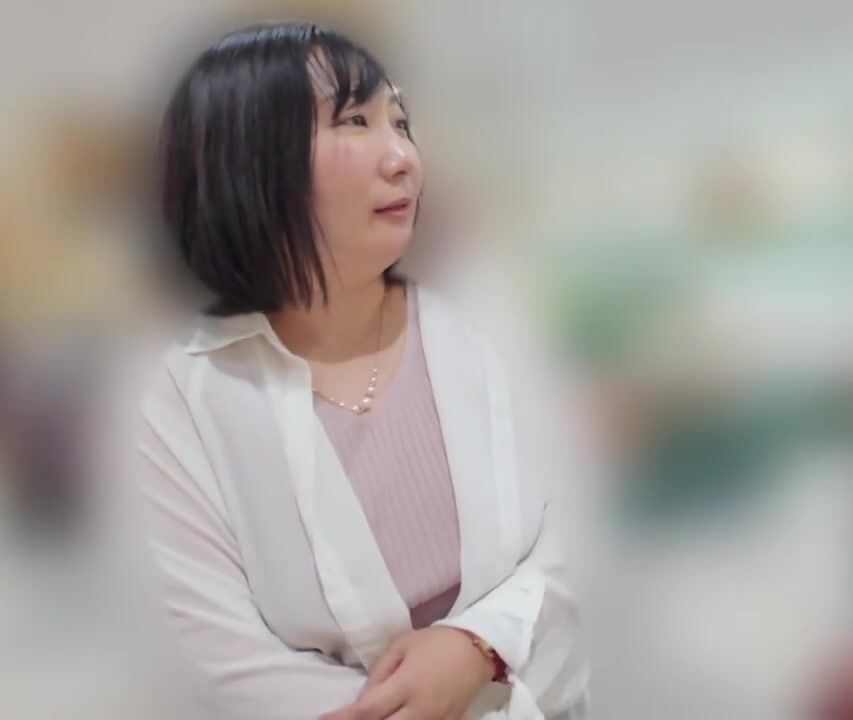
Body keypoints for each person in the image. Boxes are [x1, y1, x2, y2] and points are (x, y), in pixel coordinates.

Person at [135, 21, 588, 720]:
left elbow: (582, 531)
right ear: (245, 154)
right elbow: (213, 659)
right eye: (355, 121)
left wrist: (478, 645)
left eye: (400, 123)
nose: (404, 157)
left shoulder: (486, 317)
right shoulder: (181, 393)